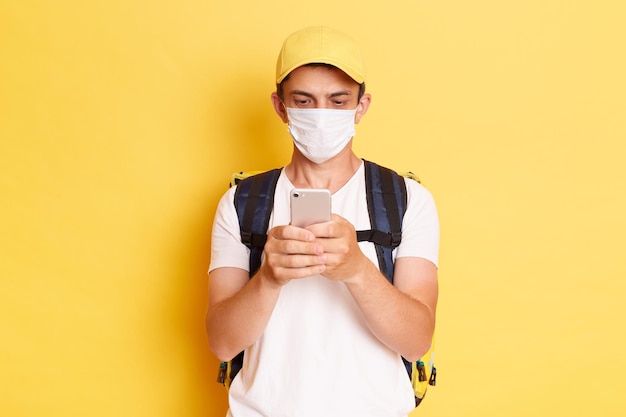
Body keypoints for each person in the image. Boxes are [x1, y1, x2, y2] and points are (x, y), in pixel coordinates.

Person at [206, 26, 439, 417]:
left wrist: (357, 270)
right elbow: (223, 343)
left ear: (361, 106)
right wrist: (269, 278)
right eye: (304, 100)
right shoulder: (240, 203)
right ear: (280, 107)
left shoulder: (407, 200)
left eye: (338, 100)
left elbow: (417, 341)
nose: (321, 115)